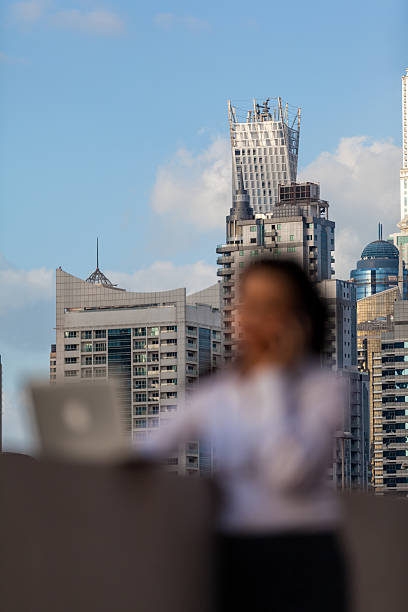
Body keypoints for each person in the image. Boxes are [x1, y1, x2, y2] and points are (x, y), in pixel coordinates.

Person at [145, 258, 348, 612]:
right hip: (237, 554)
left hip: (307, 557)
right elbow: (149, 446)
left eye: (270, 306)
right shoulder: (217, 391)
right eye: (247, 304)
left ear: (298, 318)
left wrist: (270, 378)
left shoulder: (322, 387)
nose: (254, 317)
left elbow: (287, 473)